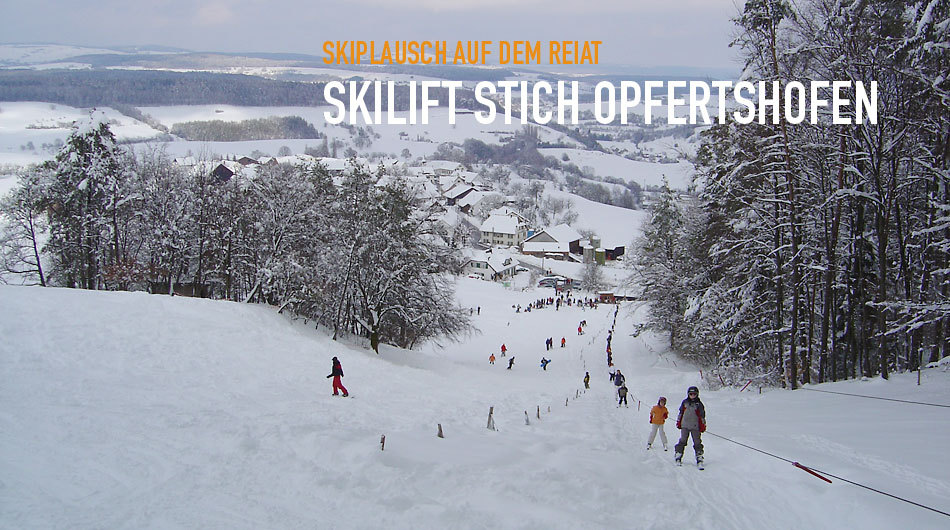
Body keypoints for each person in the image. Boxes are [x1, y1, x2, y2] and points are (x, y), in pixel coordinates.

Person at [674, 386, 706, 465]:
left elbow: (702, 416)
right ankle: (678, 454)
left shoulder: (699, 404)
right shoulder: (685, 402)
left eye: (694, 394)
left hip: (695, 426)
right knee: (683, 440)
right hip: (685, 425)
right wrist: (678, 421)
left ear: (697, 394)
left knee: (697, 442)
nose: (692, 396)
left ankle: (699, 457)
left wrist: (703, 425)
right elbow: (681, 413)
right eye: (691, 394)